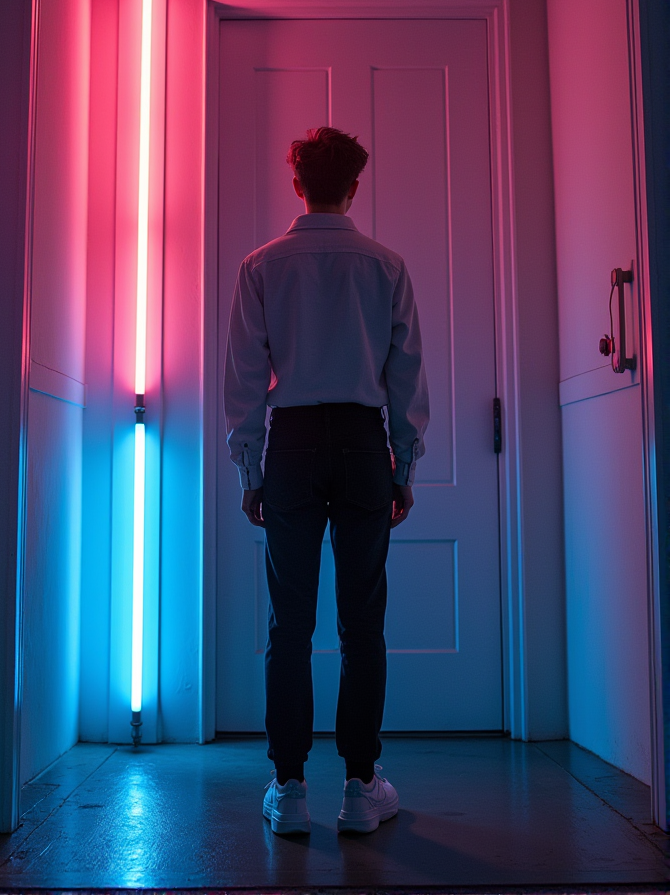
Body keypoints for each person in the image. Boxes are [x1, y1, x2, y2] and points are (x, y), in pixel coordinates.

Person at [224, 126, 429, 835]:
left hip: (295, 444)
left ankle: (288, 790)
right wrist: (405, 462)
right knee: (361, 621)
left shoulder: (262, 265)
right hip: (364, 443)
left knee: (290, 623)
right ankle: (360, 787)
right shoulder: (386, 265)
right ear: (355, 185)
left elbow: (246, 378)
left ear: (296, 183)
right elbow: (405, 374)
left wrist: (251, 468)